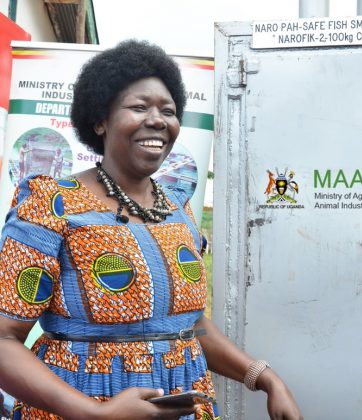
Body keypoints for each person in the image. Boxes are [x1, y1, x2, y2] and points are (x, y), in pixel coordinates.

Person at [0, 39, 302, 420]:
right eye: (139, 107)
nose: (158, 120)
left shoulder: (177, 209)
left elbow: (188, 325)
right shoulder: (51, 205)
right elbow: (4, 339)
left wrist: (263, 378)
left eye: (168, 110)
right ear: (100, 120)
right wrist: (96, 414)